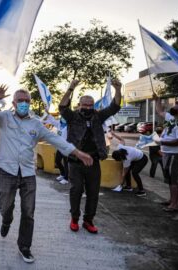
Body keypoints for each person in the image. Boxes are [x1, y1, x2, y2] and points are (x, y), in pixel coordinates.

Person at [0, 85, 93, 263]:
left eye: (27, 101)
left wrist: (76, 152)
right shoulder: (4, 118)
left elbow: (55, 139)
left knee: (29, 211)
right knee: (6, 206)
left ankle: (24, 246)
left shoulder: (36, 124)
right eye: (20, 101)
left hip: (27, 172)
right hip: (8, 171)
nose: (24, 104)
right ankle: (6, 220)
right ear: (14, 102)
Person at [59, 79, 122, 234]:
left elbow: (115, 106)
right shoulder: (72, 117)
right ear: (79, 105)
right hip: (75, 161)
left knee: (93, 192)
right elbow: (62, 106)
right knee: (76, 190)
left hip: (93, 161)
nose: (87, 107)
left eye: (90, 104)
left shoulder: (98, 116)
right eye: (85, 104)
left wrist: (118, 89)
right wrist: (71, 88)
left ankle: (88, 221)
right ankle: (74, 218)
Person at [154, 95, 178, 212]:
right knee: (169, 178)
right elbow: (159, 111)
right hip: (168, 154)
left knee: (174, 179)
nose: (173, 107)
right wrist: (157, 100)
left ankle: (174, 205)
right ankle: (171, 200)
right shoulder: (171, 118)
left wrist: (162, 141)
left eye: (176, 106)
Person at [110, 131, 148, 196]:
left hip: (142, 159)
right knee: (128, 171)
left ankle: (142, 191)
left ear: (121, 157)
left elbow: (123, 173)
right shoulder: (119, 148)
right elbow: (122, 139)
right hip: (135, 158)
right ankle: (128, 187)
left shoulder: (127, 159)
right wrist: (114, 134)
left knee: (134, 172)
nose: (119, 161)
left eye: (119, 159)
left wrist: (120, 184)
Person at [43, 113, 69, 184]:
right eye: (62, 117)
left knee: (66, 162)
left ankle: (66, 178)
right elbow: (52, 120)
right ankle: (63, 174)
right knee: (57, 161)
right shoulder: (59, 124)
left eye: (64, 117)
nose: (63, 118)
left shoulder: (69, 125)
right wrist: (47, 113)